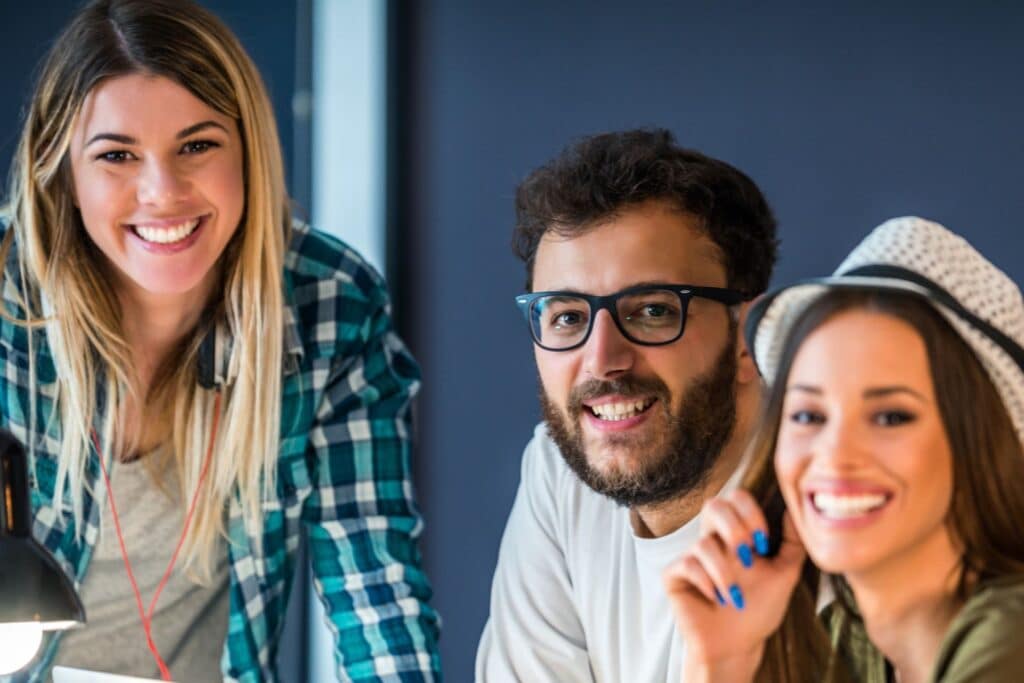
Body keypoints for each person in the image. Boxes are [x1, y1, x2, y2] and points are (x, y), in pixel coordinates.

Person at [0, 1, 440, 681]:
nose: (162, 192)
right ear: (64, 176)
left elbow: (374, 591)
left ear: (248, 153)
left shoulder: (327, 305)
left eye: (196, 146)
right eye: (116, 155)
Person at [664, 216, 1024, 682]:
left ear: (978, 440)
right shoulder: (844, 639)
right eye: (808, 416)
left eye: (890, 417)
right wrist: (721, 660)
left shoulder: (1011, 640)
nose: (834, 455)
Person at [475, 129, 779, 681]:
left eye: (653, 311)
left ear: (747, 337)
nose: (602, 360)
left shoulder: (829, 492)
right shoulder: (559, 474)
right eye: (568, 317)